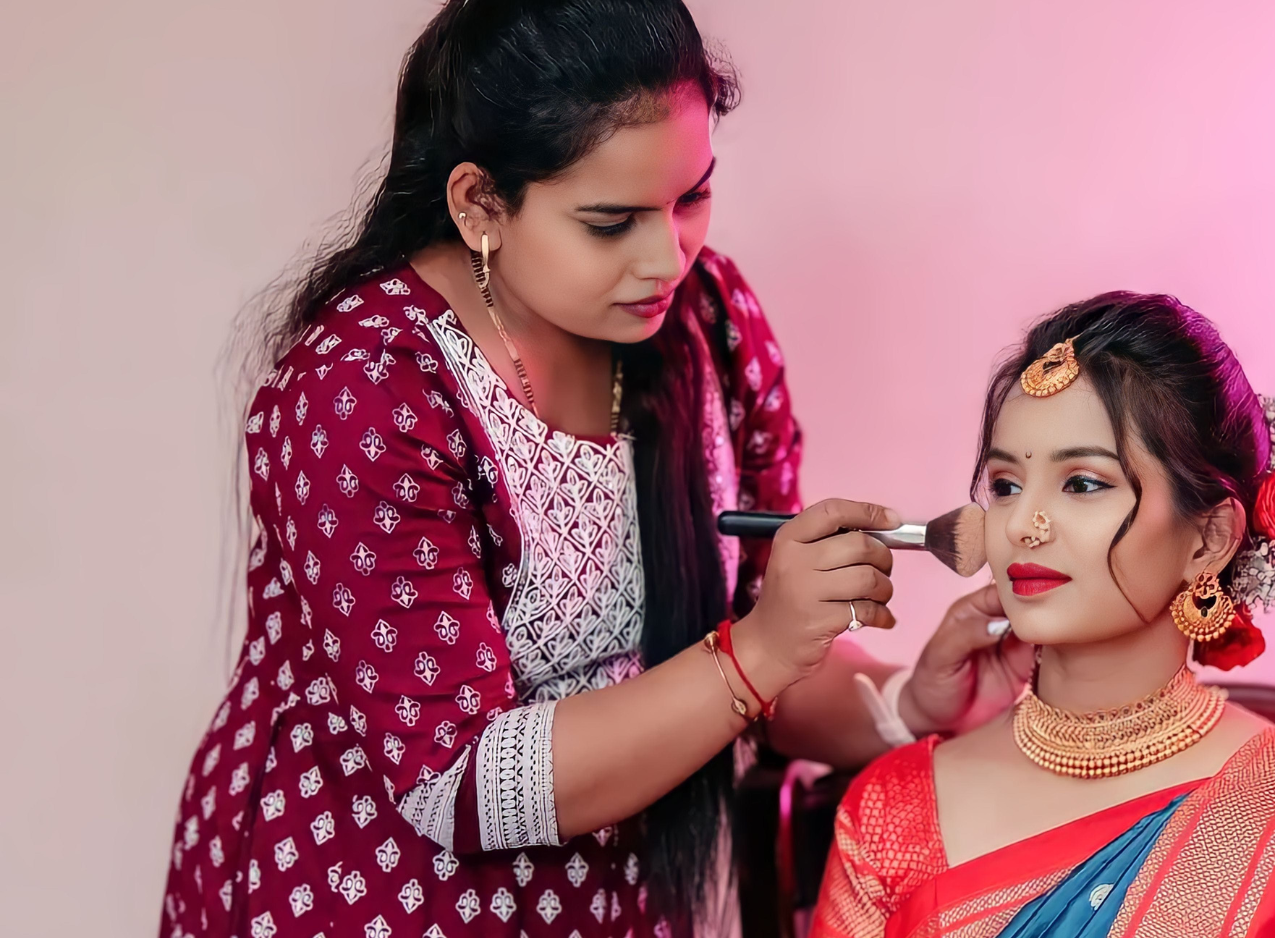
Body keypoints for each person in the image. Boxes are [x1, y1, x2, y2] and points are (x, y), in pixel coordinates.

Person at [158, 3, 1031, 936]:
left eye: (691, 197)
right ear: (479, 205)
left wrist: (906, 702)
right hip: (369, 898)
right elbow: (458, 782)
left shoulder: (710, 321)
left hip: (627, 908)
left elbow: (754, 650)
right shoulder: (364, 389)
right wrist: (760, 650)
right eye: (611, 223)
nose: (666, 258)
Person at [811, 293, 1275, 938]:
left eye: (1082, 483)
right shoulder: (894, 810)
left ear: (1208, 539)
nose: (1022, 525)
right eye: (1004, 485)